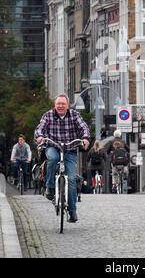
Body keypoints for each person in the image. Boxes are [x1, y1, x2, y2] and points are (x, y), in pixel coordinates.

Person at [34, 93, 90, 223]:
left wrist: (86, 138)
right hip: (53, 146)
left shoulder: (75, 115)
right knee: (52, 159)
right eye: (58, 104)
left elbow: (84, 127)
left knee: (71, 179)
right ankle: (50, 187)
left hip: (70, 150)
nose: (60, 106)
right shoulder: (48, 115)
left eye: (63, 104)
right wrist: (40, 137)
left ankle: (72, 211)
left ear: (67, 105)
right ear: (55, 105)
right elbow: (40, 128)